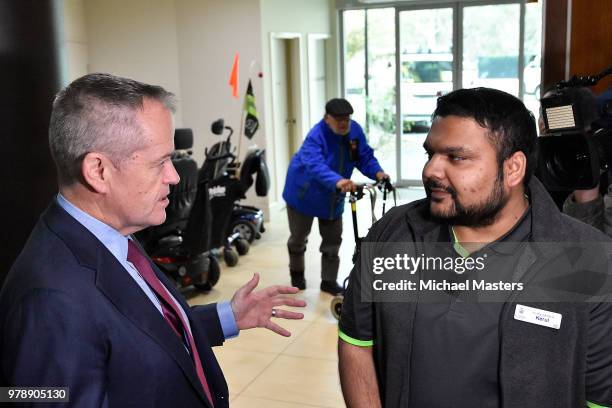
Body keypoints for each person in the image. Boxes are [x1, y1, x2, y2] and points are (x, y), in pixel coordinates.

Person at [0, 73, 306, 408]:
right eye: (160, 162)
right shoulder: (49, 300)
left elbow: (140, 336)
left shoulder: (111, 235)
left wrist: (228, 316)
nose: (174, 177)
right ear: (98, 171)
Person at [338, 88, 612, 407]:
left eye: (456, 157)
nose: (430, 171)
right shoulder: (395, 233)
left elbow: (599, 398)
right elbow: (356, 341)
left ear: (513, 168)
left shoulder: (587, 259)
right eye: (431, 154)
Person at [282, 98, 388, 295]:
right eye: (338, 119)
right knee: (298, 238)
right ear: (327, 118)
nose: (343, 123)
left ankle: (328, 281)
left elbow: (363, 156)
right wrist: (337, 181)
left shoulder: (353, 131)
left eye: (346, 119)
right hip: (304, 194)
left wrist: (378, 173)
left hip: (333, 196)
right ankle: (297, 277)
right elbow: (315, 165)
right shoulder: (316, 135)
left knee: (332, 240)